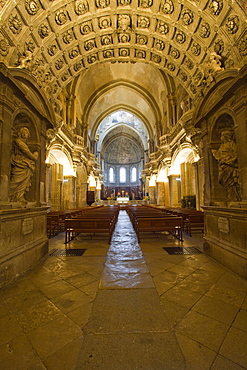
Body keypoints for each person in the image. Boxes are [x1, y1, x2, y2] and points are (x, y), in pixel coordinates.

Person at [9, 127, 38, 205]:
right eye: (24, 131)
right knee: (16, 180)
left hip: (24, 163)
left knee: (24, 182)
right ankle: (11, 195)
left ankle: (19, 196)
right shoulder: (19, 142)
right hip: (19, 162)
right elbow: (27, 152)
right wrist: (34, 156)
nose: (26, 134)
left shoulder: (23, 143)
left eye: (27, 132)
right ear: (20, 133)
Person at [212, 130, 241, 201]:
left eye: (222, 136)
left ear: (226, 137)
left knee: (231, 182)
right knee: (221, 180)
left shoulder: (232, 144)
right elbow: (219, 155)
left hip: (229, 165)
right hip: (222, 165)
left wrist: (230, 161)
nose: (221, 137)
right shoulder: (222, 146)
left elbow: (236, 154)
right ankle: (230, 196)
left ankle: (233, 197)